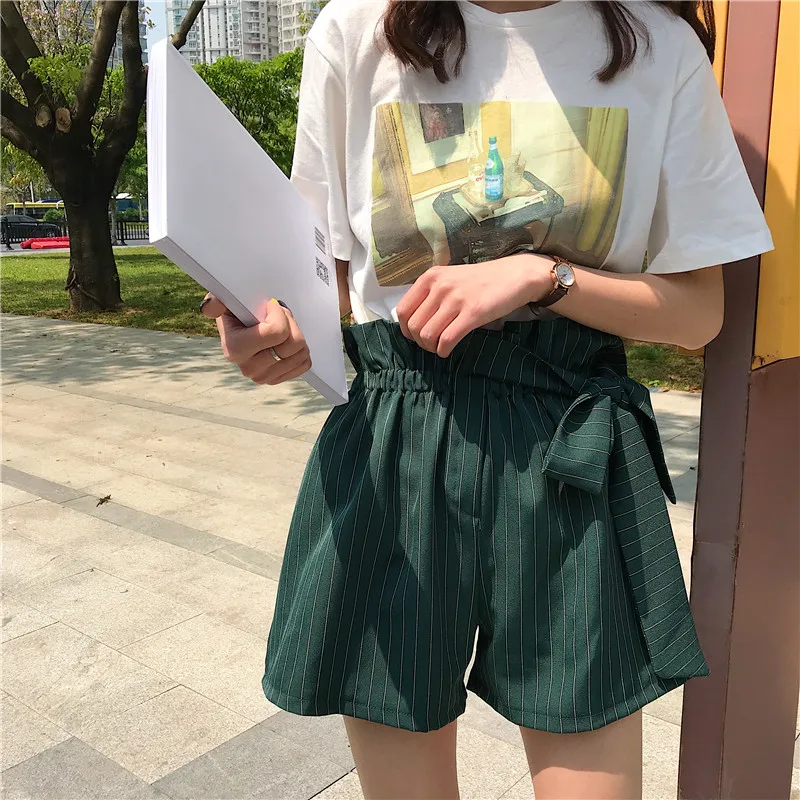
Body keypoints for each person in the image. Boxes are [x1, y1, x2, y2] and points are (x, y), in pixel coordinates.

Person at [201, 1, 773, 797]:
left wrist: (544, 275)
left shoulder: (659, 49)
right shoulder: (357, 31)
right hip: (398, 439)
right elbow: (326, 276)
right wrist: (273, 328)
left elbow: (698, 312)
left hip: (570, 446)